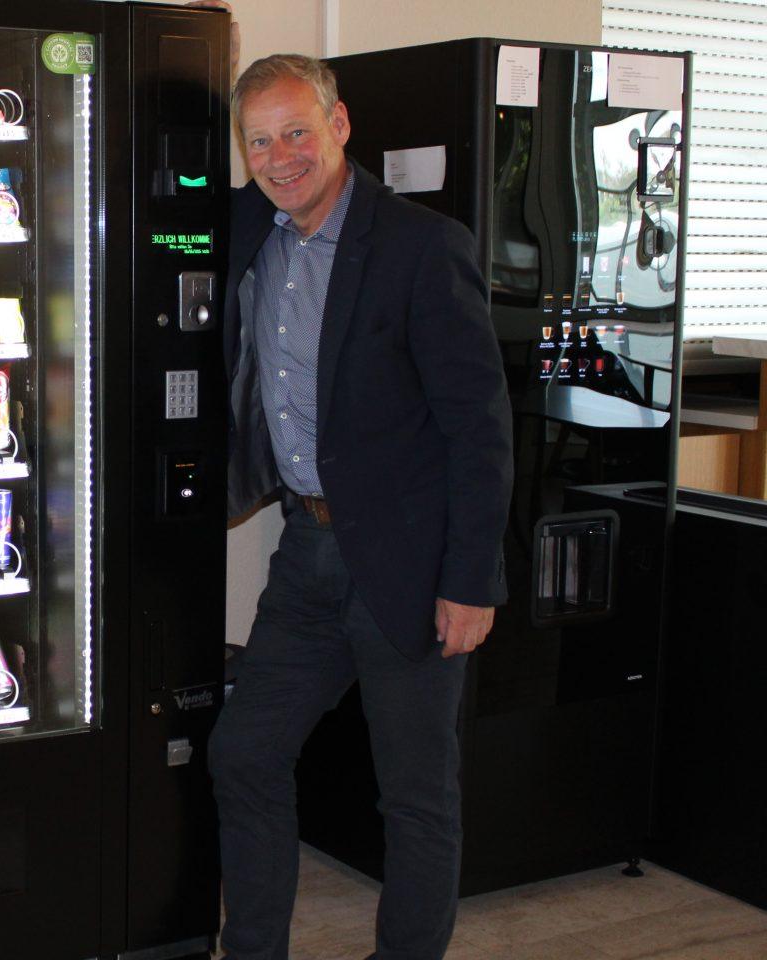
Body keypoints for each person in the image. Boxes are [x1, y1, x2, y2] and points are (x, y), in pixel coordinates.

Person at [208, 52, 513, 960]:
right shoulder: (246, 232)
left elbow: (480, 429)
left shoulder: (423, 245)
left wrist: (472, 581)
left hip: (412, 565)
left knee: (415, 796)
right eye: (259, 140)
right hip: (307, 550)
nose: (280, 156)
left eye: (296, 131)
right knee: (245, 754)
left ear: (340, 127)